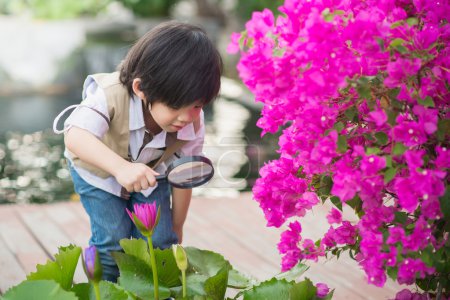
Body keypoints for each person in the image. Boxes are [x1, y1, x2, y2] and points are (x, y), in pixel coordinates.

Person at [53, 21, 222, 282]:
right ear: (140, 89)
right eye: (177, 105)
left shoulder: (192, 124)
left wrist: (177, 225)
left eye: (198, 105)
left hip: (152, 175)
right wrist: (121, 168)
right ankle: (107, 291)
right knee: (112, 242)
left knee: (161, 243)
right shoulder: (108, 94)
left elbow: (183, 177)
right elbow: (75, 135)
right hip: (98, 174)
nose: (187, 117)